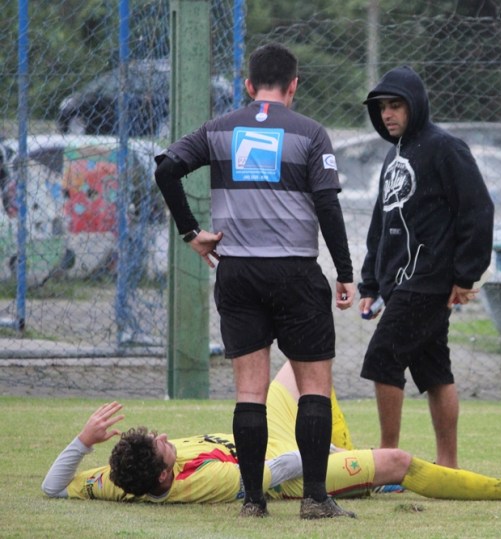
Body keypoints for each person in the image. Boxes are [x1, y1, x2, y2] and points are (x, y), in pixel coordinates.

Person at [153, 43, 356, 519]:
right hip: (294, 270)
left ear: (248, 86)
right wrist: (345, 273)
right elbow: (327, 205)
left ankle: (253, 503)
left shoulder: (219, 129)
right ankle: (315, 499)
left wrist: (192, 232)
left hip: (237, 270)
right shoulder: (310, 133)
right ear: (294, 86)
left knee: (250, 390)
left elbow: (166, 169)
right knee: (313, 386)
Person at [42, 361, 501, 505]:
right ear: (164, 474)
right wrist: (327, 452)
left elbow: (52, 487)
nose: (163, 436)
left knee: (303, 365)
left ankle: (364, 466)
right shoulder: (203, 481)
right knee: (398, 460)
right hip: (290, 469)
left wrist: (84, 440)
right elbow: (278, 471)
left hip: (268, 439)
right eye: (161, 444)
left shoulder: (116, 479)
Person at [357, 66, 494, 469]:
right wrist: (370, 283)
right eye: (382, 108)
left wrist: (465, 275)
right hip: (400, 284)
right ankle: (447, 466)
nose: (387, 114)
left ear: (415, 106)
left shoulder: (445, 148)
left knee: (383, 358)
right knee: (434, 371)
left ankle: (387, 459)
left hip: (428, 280)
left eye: (395, 105)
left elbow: (478, 210)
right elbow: (380, 224)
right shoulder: (393, 153)